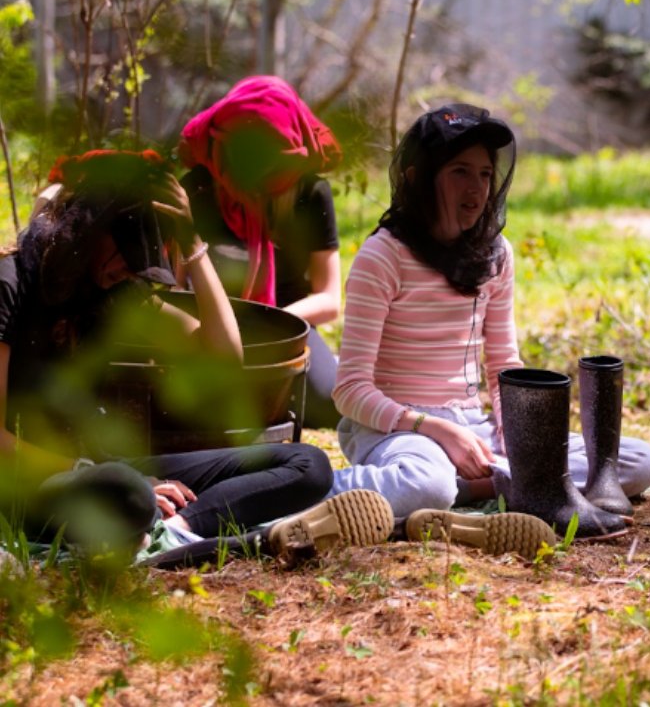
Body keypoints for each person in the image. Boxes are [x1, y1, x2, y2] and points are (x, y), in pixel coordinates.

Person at [0, 149, 389, 562]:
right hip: (35, 481)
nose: (129, 272)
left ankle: (175, 531)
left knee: (308, 464)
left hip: (112, 469)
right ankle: (175, 530)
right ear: (92, 228)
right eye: (126, 253)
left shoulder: (113, 292)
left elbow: (224, 358)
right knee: (128, 492)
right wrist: (89, 471)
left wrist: (193, 245)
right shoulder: (11, 284)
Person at [330, 103, 650, 541]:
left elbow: (504, 363)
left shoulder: (496, 254)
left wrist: (517, 437)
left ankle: (471, 489)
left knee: (632, 463)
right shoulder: (382, 256)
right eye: (459, 172)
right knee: (427, 482)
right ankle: (317, 490)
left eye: (485, 174)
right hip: (397, 430)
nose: (477, 188)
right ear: (417, 179)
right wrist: (436, 430)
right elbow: (349, 391)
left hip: (474, 427)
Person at [179, 76, 344, 429]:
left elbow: (329, 299)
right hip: (211, 327)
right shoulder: (197, 189)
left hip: (287, 326)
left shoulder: (311, 193)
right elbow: (175, 288)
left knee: (330, 403)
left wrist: (276, 324)